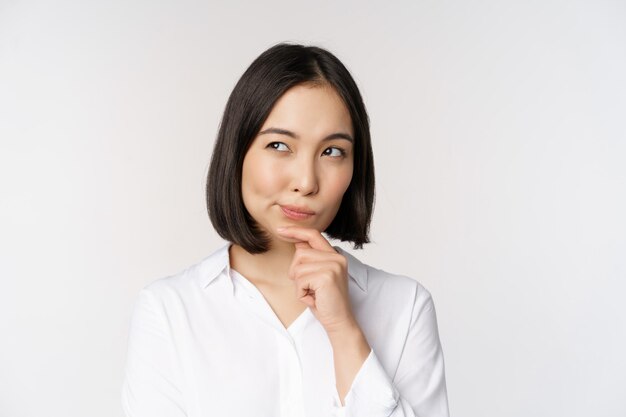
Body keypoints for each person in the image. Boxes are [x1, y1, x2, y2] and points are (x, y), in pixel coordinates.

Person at [121, 42, 450, 417]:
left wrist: (344, 331)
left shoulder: (405, 308)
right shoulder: (169, 311)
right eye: (279, 145)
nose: (306, 181)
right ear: (238, 149)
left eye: (332, 152)